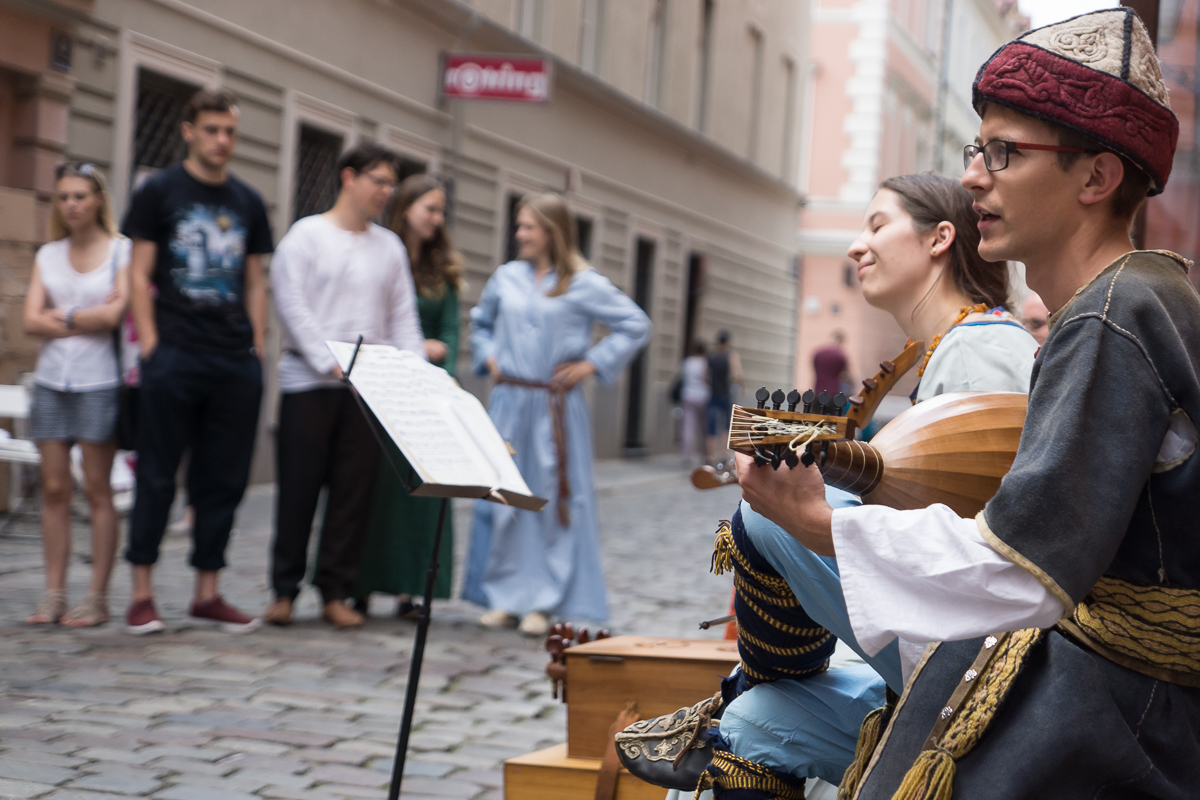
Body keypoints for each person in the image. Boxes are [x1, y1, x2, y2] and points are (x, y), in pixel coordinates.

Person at [738, 9, 1199, 798]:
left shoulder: (1114, 312)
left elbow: (1027, 568)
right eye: (976, 149)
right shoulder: (1133, 300)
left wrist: (816, 524)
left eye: (1005, 153)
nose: (974, 177)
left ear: (1096, 177)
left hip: (1128, 719)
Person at [632, 172, 1038, 798]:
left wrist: (807, 513)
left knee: (767, 515)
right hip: (931, 657)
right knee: (752, 725)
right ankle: (758, 686)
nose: (856, 245)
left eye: (877, 225)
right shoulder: (943, 350)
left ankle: (766, 671)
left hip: (979, 669)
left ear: (940, 239)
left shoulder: (977, 350)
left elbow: (975, 544)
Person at [463, 192, 651, 636]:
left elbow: (635, 323)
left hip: (555, 410)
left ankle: (543, 601)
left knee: (551, 503)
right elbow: (480, 322)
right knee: (503, 495)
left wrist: (591, 364)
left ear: (552, 231)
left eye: (528, 226)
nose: (520, 234)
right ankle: (505, 596)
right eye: (519, 226)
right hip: (509, 402)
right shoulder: (506, 277)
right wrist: (488, 356)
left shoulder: (584, 283)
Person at [122, 88, 273, 635]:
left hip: (233, 359)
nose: (222, 141)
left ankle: (207, 591)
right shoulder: (159, 192)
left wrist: (256, 344)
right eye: (211, 129)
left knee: (222, 480)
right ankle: (141, 592)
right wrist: (152, 348)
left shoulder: (248, 201)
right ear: (189, 131)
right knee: (157, 476)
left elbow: (255, 279)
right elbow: (138, 272)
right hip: (175, 354)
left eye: (229, 131)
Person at [264, 144, 425, 630]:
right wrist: (331, 363)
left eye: (391, 184)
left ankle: (335, 590)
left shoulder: (390, 247)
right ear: (348, 177)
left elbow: (403, 320)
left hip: (368, 392)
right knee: (298, 490)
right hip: (308, 383)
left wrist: (412, 376)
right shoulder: (306, 236)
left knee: (353, 496)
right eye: (378, 180)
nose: (385, 192)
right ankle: (283, 591)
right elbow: (291, 305)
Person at [22, 163, 130, 627]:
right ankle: (54, 593)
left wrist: (60, 317)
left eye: (81, 196)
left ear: (99, 200)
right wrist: (82, 315)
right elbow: (28, 321)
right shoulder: (48, 255)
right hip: (51, 380)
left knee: (97, 488)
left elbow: (114, 317)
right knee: (52, 488)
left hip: (98, 379)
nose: (71, 205)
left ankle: (97, 595)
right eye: (64, 196)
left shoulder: (120, 252)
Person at [351, 173, 463, 620]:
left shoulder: (444, 271)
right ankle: (359, 584)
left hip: (426, 392)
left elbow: (449, 334)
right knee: (372, 492)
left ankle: (410, 590)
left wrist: (441, 372)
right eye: (429, 209)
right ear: (407, 210)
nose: (436, 219)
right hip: (383, 387)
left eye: (441, 212)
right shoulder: (381, 255)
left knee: (421, 493)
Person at [706, 330, 743, 464]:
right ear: (727, 342)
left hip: (713, 394)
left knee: (711, 426)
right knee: (726, 425)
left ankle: (710, 455)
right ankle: (723, 453)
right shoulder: (730, 356)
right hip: (726, 394)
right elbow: (736, 375)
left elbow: (705, 376)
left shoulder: (711, 356)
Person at [679, 341, 710, 467]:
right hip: (703, 396)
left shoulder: (687, 362)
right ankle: (705, 454)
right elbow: (708, 379)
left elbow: (682, 377)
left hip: (688, 395)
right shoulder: (706, 364)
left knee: (688, 426)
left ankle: (687, 455)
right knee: (704, 427)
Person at [811, 330, 849, 396]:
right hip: (833, 393)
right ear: (841, 341)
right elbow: (846, 374)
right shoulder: (840, 356)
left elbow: (814, 368)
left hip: (818, 391)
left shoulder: (819, 353)